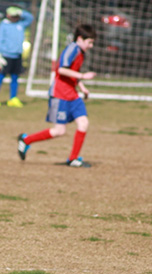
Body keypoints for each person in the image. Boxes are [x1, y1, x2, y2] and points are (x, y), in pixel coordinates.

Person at [17, 24, 96, 168]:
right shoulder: (72, 49)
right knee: (59, 131)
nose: (91, 45)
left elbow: (72, 72)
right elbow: (62, 70)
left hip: (72, 94)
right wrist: (83, 76)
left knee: (84, 123)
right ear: (80, 38)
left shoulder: (81, 52)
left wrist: (82, 86)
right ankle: (26, 140)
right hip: (60, 95)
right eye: (89, 42)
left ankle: (73, 159)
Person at [0, 6, 33, 108]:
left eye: (17, 16)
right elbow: (0, 40)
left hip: (17, 56)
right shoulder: (3, 25)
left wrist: (21, 12)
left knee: (15, 78)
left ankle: (13, 98)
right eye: (13, 16)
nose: (15, 18)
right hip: (5, 56)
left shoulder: (20, 24)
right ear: (8, 15)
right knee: (0, 77)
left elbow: (30, 18)